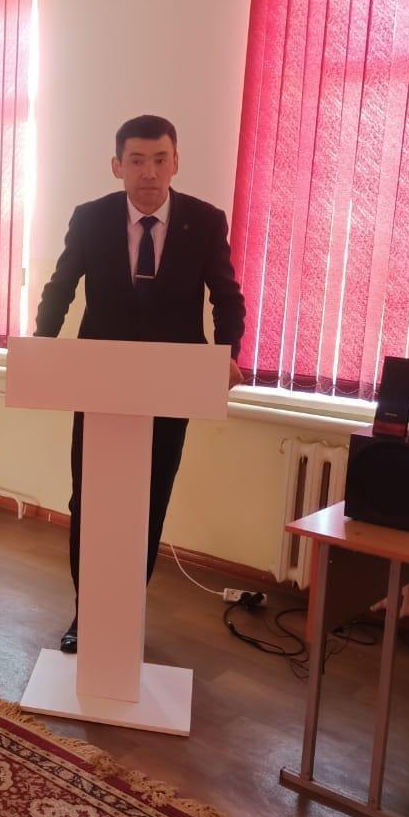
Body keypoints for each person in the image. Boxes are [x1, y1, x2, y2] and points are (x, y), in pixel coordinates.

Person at [34, 114, 246, 653]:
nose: (149, 172)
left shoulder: (205, 221)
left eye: (159, 159)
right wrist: (42, 344)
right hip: (100, 382)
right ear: (117, 166)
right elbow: (61, 286)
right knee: (90, 503)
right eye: (136, 160)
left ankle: (126, 611)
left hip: (173, 385)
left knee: (149, 502)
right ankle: (87, 613)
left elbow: (226, 296)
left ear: (175, 163)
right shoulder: (91, 218)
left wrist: (227, 354)